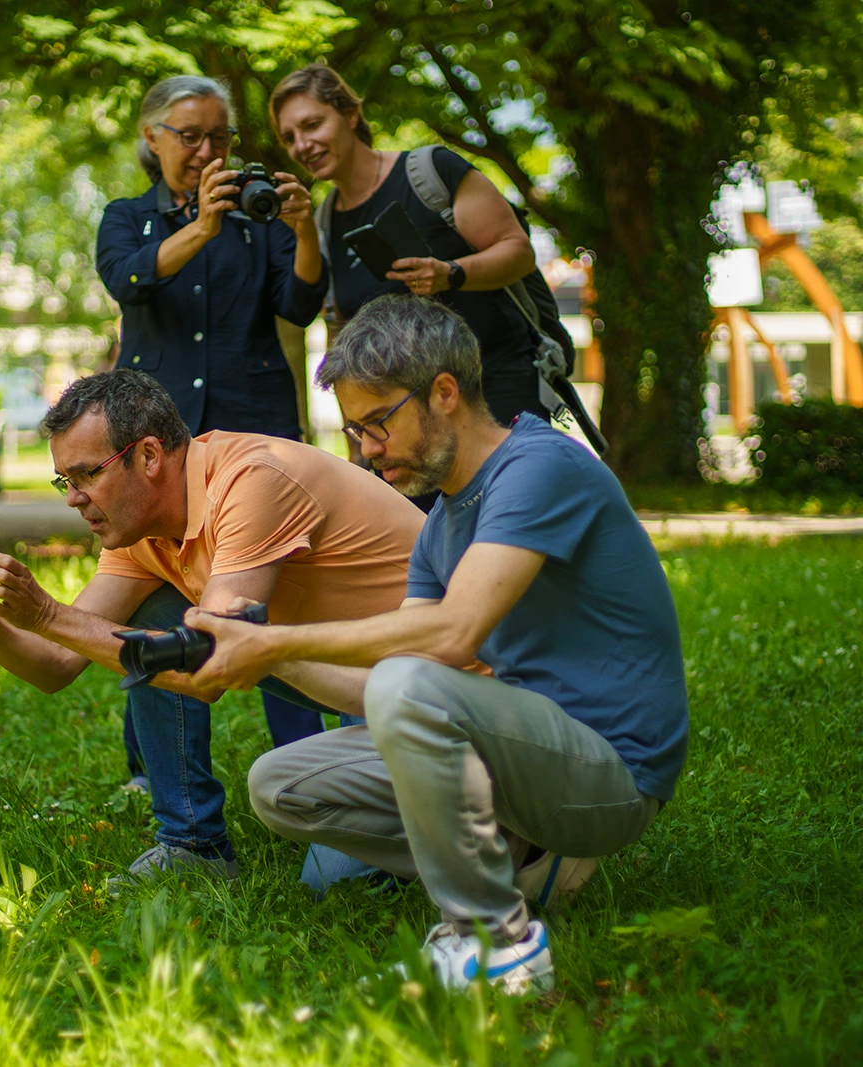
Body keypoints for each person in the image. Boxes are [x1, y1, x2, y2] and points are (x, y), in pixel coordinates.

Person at [184, 295, 689, 993]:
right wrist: (268, 651)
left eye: (376, 423)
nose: (365, 448)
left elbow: (455, 632)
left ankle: (494, 942)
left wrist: (280, 642)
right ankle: (523, 864)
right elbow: (397, 686)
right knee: (280, 784)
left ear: (444, 393)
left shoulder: (538, 467)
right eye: (355, 430)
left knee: (406, 686)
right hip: (524, 757)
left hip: (611, 773)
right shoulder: (442, 526)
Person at [0, 370, 422, 886]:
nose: (73, 498)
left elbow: (214, 666)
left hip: (430, 679)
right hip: (339, 676)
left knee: (340, 886)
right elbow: (56, 665)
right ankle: (191, 844)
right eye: (66, 481)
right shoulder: (141, 532)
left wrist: (47, 613)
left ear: (149, 456)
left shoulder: (253, 480)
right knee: (148, 620)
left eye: (87, 475)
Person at [93, 74, 336, 811]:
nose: (207, 151)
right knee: (152, 591)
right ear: (152, 139)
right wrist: (197, 227)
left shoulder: (255, 217)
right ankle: (154, 775)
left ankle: (311, 771)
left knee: (279, 598)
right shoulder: (128, 217)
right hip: (157, 440)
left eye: (220, 137)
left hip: (253, 425)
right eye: (190, 136)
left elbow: (298, 303)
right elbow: (126, 279)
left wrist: (300, 231)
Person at [269, 64, 550, 432]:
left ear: (350, 114)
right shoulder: (322, 222)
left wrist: (451, 274)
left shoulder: (430, 173)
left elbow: (518, 252)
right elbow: (342, 336)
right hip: (408, 437)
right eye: (289, 137)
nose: (301, 146)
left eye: (311, 125)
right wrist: (358, 436)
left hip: (497, 405)